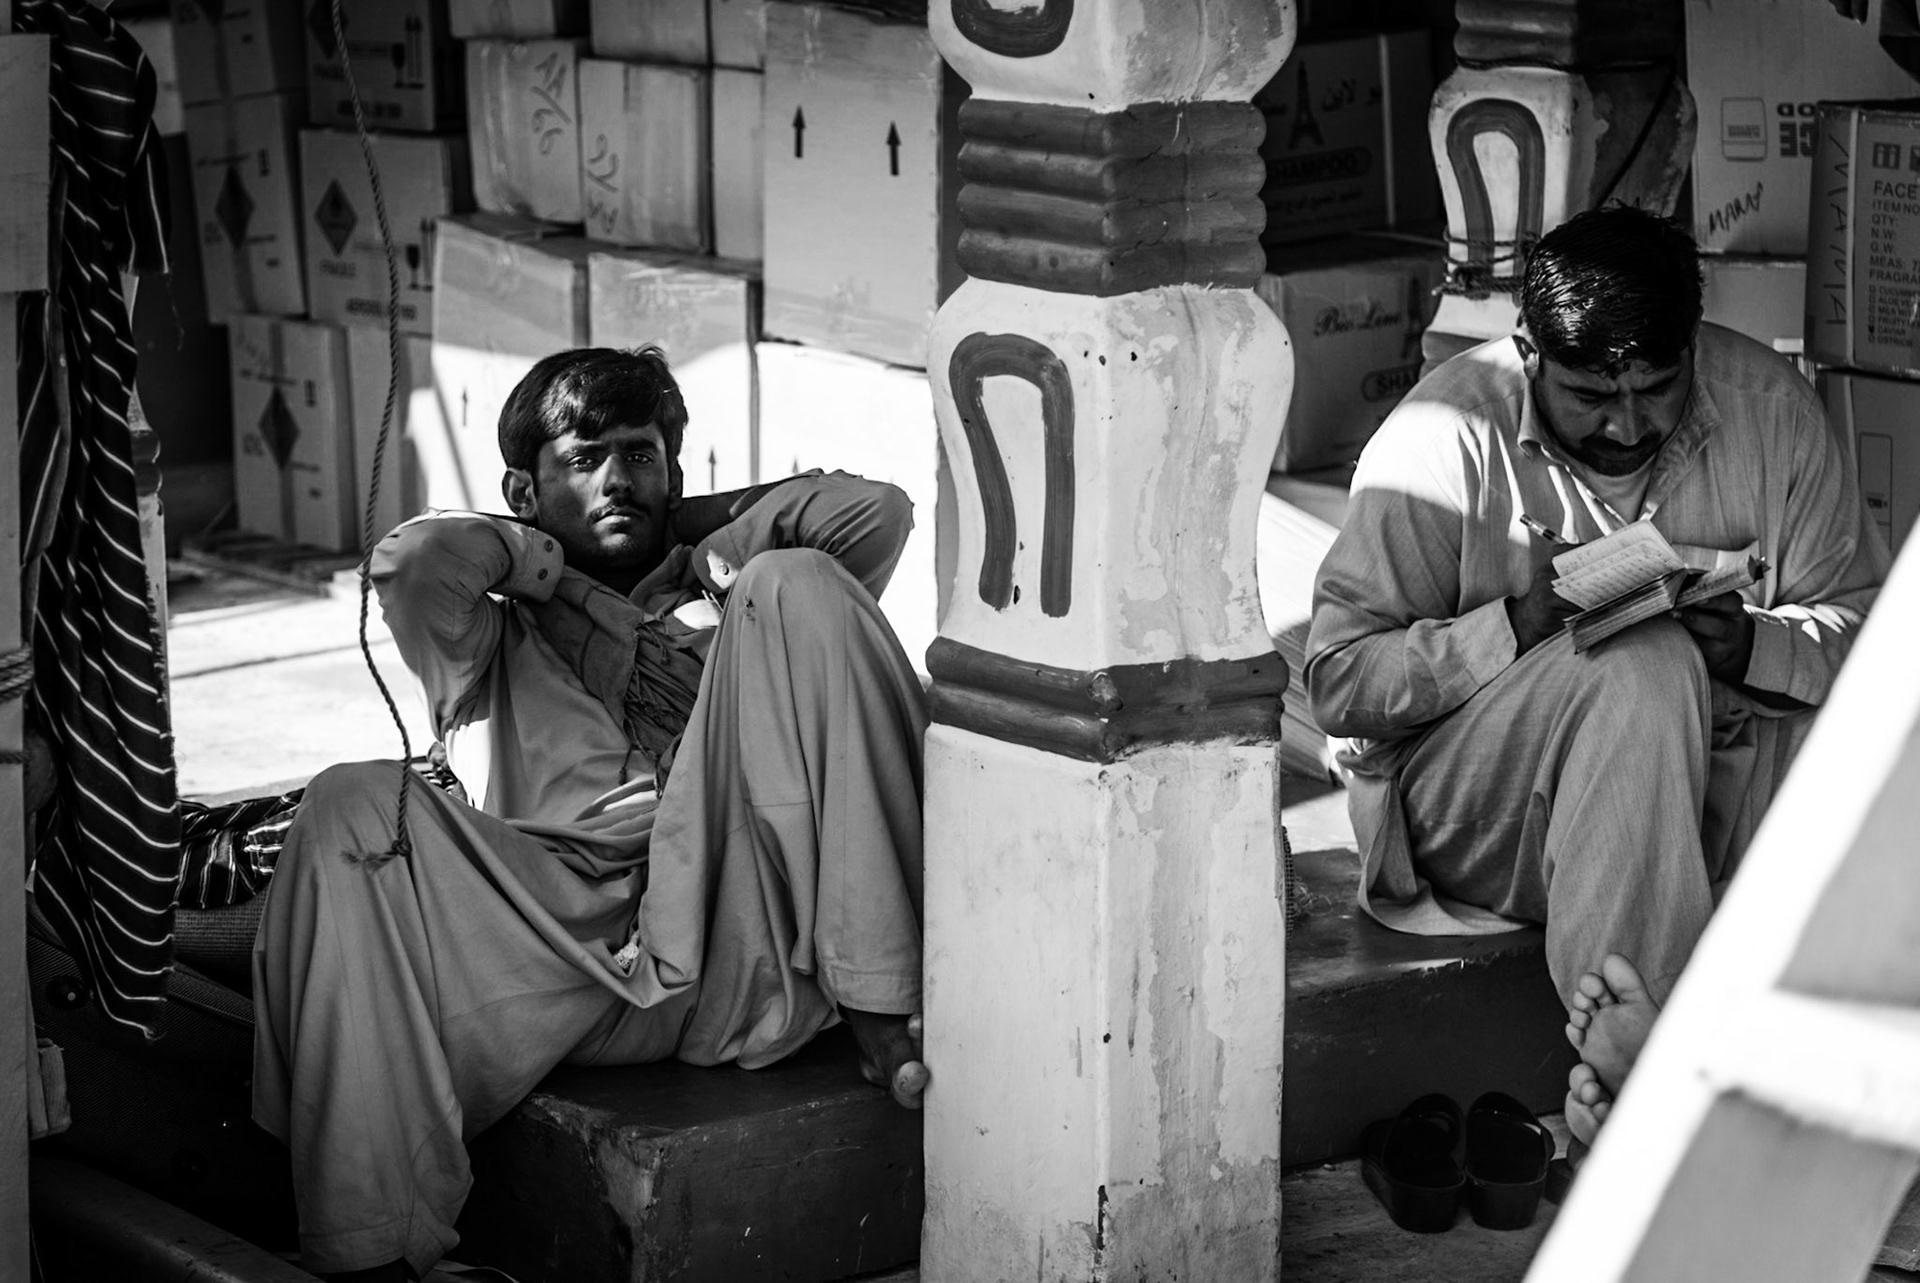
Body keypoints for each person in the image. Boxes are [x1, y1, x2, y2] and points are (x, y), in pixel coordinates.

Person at [250, 346, 930, 1282]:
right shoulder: (497, 631)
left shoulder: (723, 594)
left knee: (802, 581)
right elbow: (413, 563)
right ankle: (377, 1251)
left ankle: (885, 999)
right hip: (559, 958)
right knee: (349, 805)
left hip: (742, 938)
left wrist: (695, 531)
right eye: (585, 459)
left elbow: (878, 512)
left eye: (642, 456)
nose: (619, 478)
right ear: (523, 491)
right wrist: (549, 556)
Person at [1305, 205, 1889, 1145]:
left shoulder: (1773, 414)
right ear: (1530, 353)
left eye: (1657, 388)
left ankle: (1648, 1079)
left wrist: (1750, 646)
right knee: (1641, 663)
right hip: (1484, 816)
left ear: (1693, 345)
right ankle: (1654, 1053)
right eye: (1590, 396)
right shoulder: (1443, 436)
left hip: (1706, 797)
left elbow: (1870, 633)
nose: (1627, 424)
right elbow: (1338, 681)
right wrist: (1512, 625)